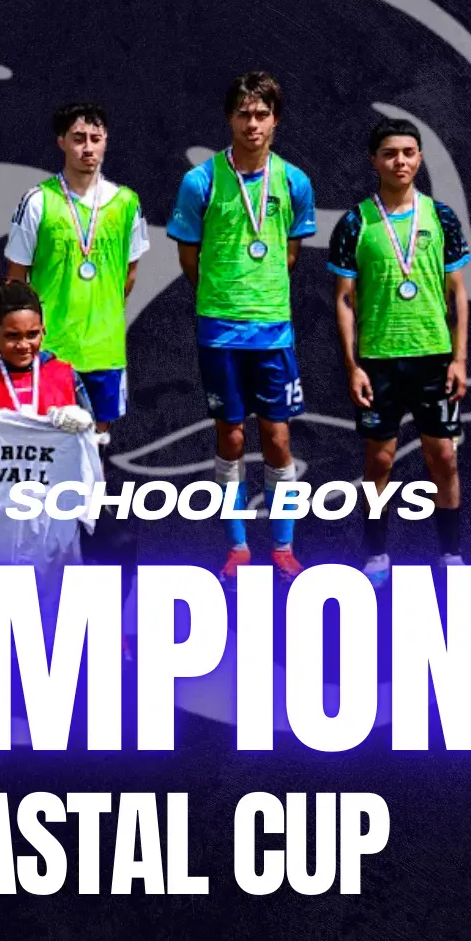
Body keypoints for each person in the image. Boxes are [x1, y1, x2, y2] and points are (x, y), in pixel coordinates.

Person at [167, 71, 316, 583]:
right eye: (244, 114)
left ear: (275, 119)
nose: (253, 124)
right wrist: (223, 294)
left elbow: (291, 251)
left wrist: (259, 291)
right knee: (230, 437)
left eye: (262, 114)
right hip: (220, 332)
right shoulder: (201, 180)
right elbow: (189, 255)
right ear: (229, 118)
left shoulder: (294, 181)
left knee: (277, 439)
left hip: (273, 329)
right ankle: (236, 547)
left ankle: (283, 546)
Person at [327, 118, 471, 587]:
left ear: (420, 157)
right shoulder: (355, 223)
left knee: (443, 458)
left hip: (433, 356)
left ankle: (450, 554)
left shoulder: (441, 217)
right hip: (379, 360)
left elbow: (458, 293)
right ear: (374, 160)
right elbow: (345, 299)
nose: (401, 161)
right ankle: (375, 554)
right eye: (390, 153)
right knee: (380, 462)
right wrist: (352, 366)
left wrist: (460, 359)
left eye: (409, 152)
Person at [0, 279, 100, 645]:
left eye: (33, 334)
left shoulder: (65, 376)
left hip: (54, 513)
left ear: (44, 330)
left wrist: (85, 425)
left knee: (56, 606)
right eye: (13, 336)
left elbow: (90, 440)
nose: (24, 344)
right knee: (1, 612)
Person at [5, 102, 148, 431]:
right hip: (50, 351)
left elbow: (129, 275)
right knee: (49, 449)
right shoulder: (38, 200)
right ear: (62, 142)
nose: (88, 148)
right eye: (78, 138)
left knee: (95, 447)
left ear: (106, 140)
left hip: (104, 350)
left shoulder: (126, 202)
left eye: (95, 138)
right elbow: (16, 282)